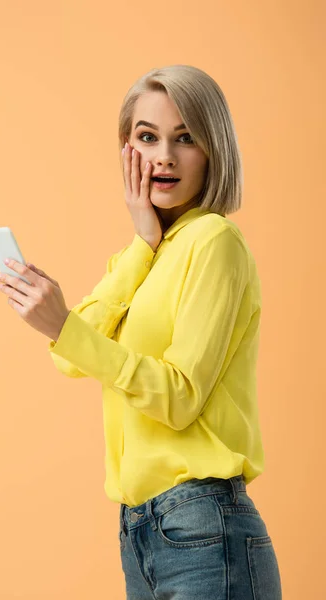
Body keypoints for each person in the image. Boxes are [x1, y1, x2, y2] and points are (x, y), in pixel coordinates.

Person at [47, 65, 282, 599]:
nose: (164, 157)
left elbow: (179, 397)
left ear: (213, 150)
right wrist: (142, 242)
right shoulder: (144, 255)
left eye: (186, 138)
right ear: (125, 149)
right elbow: (70, 357)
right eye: (147, 137)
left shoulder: (215, 241)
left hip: (202, 521)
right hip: (141, 531)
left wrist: (61, 325)